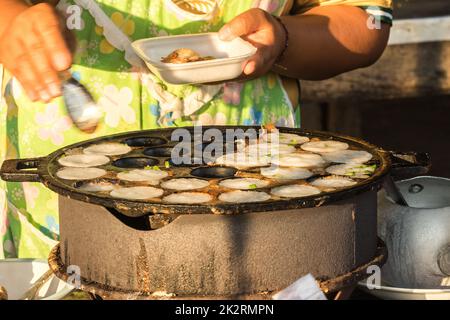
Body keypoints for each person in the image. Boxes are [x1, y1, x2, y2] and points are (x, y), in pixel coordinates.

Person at [0, 0, 393, 259]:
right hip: (68, 189)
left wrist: (285, 38)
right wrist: (11, 24)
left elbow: (366, 20)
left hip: (254, 188)